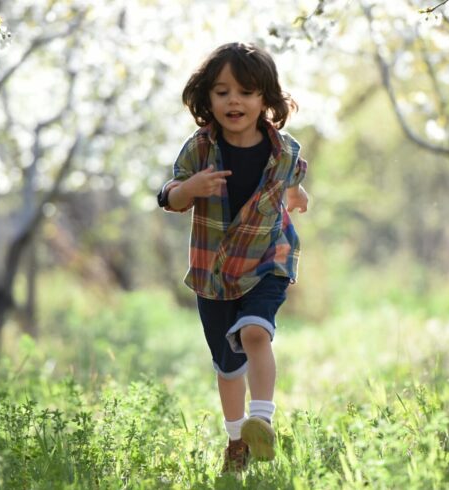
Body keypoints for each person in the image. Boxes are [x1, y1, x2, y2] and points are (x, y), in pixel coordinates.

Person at [157, 42, 309, 473]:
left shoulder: (284, 150)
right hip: (216, 272)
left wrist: (297, 196)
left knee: (255, 334)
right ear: (207, 99)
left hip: (268, 259)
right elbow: (169, 194)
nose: (234, 101)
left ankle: (262, 419)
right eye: (222, 92)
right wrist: (189, 190)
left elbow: (292, 178)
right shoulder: (200, 150)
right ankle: (237, 438)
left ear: (266, 99)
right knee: (228, 365)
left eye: (245, 91)